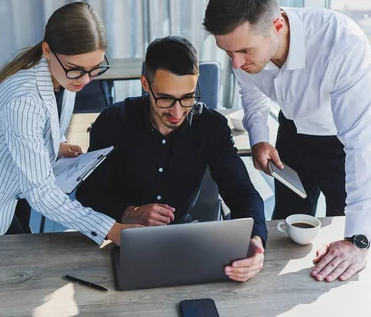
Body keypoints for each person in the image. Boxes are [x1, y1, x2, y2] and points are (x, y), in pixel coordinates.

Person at [203, 0, 371, 282]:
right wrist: (260, 139)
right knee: (286, 228)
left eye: (245, 52)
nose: (235, 64)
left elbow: (363, 146)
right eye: (227, 53)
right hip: (290, 132)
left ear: (276, 26)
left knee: (346, 238)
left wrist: (359, 240)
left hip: (339, 144)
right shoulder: (244, 50)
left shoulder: (342, 44)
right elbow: (251, 94)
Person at [0, 2, 135, 245]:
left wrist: (58, 142)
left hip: (14, 183)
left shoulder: (63, 73)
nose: (86, 80)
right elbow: (41, 193)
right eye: (77, 70)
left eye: (94, 69)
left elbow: (46, 118)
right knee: (10, 260)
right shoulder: (22, 99)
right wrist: (111, 229)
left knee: (20, 248)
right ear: (47, 50)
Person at [76, 36, 268, 282]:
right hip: (118, 242)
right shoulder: (114, 121)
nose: (177, 112)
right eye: (165, 98)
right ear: (145, 84)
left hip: (187, 241)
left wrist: (256, 240)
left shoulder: (211, 126)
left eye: (187, 97)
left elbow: (241, 191)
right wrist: (129, 213)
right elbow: (89, 193)